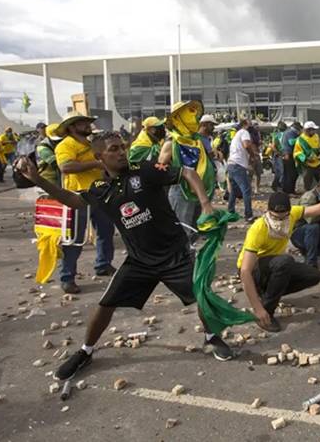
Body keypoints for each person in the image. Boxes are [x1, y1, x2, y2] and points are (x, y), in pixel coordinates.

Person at [16, 132, 236, 380]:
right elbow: (73, 200)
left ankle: (211, 337)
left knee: (201, 295)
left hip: (174, 254)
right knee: (105, 304)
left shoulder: (145, 169)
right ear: (99, 156)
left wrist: (206, 203)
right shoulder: (100, 188)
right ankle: (85, 352)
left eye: (122, 147)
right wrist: (37, 179)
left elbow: (186, 172)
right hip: (139, 260)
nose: (121, 152)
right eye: (114, 149)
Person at [237, 180, 320, 332]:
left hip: (274, 265)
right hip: (255, 271)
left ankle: (268, 293)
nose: (280, 221)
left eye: (284, 217)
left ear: (289, 212)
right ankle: (266, 313)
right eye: (276, 217)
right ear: (268, 212)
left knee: (313, 275)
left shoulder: (294, 213)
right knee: (285, 261)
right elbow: (245, 271)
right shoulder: (258, 229)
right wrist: (257, 308)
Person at [54, 113, 116, 293]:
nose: (89, 125)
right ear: (72, 127)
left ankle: (103, 264)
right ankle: (67, 277)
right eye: (84, 123)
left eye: (89, 122)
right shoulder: (66, 145)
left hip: (98, 193)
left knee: (106, 231)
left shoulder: (89, 144)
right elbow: (66, 167)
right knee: (74, 239)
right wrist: (95, 165)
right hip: (77, 197)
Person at [159, 101, 217, 246]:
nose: (194, 118)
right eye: (188, 114)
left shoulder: (196, 141)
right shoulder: (172, 142)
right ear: (179, 118)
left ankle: (186, 253)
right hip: (181, 190)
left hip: (200, 190)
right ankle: (180, 260)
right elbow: (160, 169)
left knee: (196, 228)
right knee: (182, 228)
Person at [226, 119, 254, 222]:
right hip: (238, 165)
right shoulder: (244, 132)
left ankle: (230, 212)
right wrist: (252, 155)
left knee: (233, 190)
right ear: (245, 125)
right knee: (246, 190)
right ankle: (248, 215)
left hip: (231, 164)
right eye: (249, 123)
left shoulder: (236, 135)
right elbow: (246, 145)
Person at [293, 121, 320, 191]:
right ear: (308, 130)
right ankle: (307, 196)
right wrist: (306, 158)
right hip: (308, 165)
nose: (314, 131)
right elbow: (297, 153)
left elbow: (318, 147)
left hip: (318, 163)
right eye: (313, 129)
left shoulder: (316, 136)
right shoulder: (301, 140)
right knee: (307, 183)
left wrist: (319, 154)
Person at [281, 121, 300, 194]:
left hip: (288, 155)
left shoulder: (288, 132)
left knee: (291, 174)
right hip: (288, 155)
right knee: (290, 174)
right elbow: (291, 142)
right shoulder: (290, 133)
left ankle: (290, 190)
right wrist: (299, 138)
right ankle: (289, 191)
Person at [270, 121, 286, 191]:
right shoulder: (277, 135)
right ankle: (277, 186)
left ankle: (276, 185)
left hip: (280, 154)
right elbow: (273, 146)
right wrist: (278, 153)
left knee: (280, 172)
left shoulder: (276, 134)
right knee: (280, 172)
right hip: (279, 155)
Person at [247, 120, 263, 192]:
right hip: (251, 155)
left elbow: (259, 144)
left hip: (257, 154)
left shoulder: (257, 134)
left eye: (257, 125)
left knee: (258, 172)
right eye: (255, 125)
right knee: (250, 173)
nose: (257, 126)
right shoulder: (249, 134)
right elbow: (250, 145)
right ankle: (249, 188)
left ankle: (257, 188)